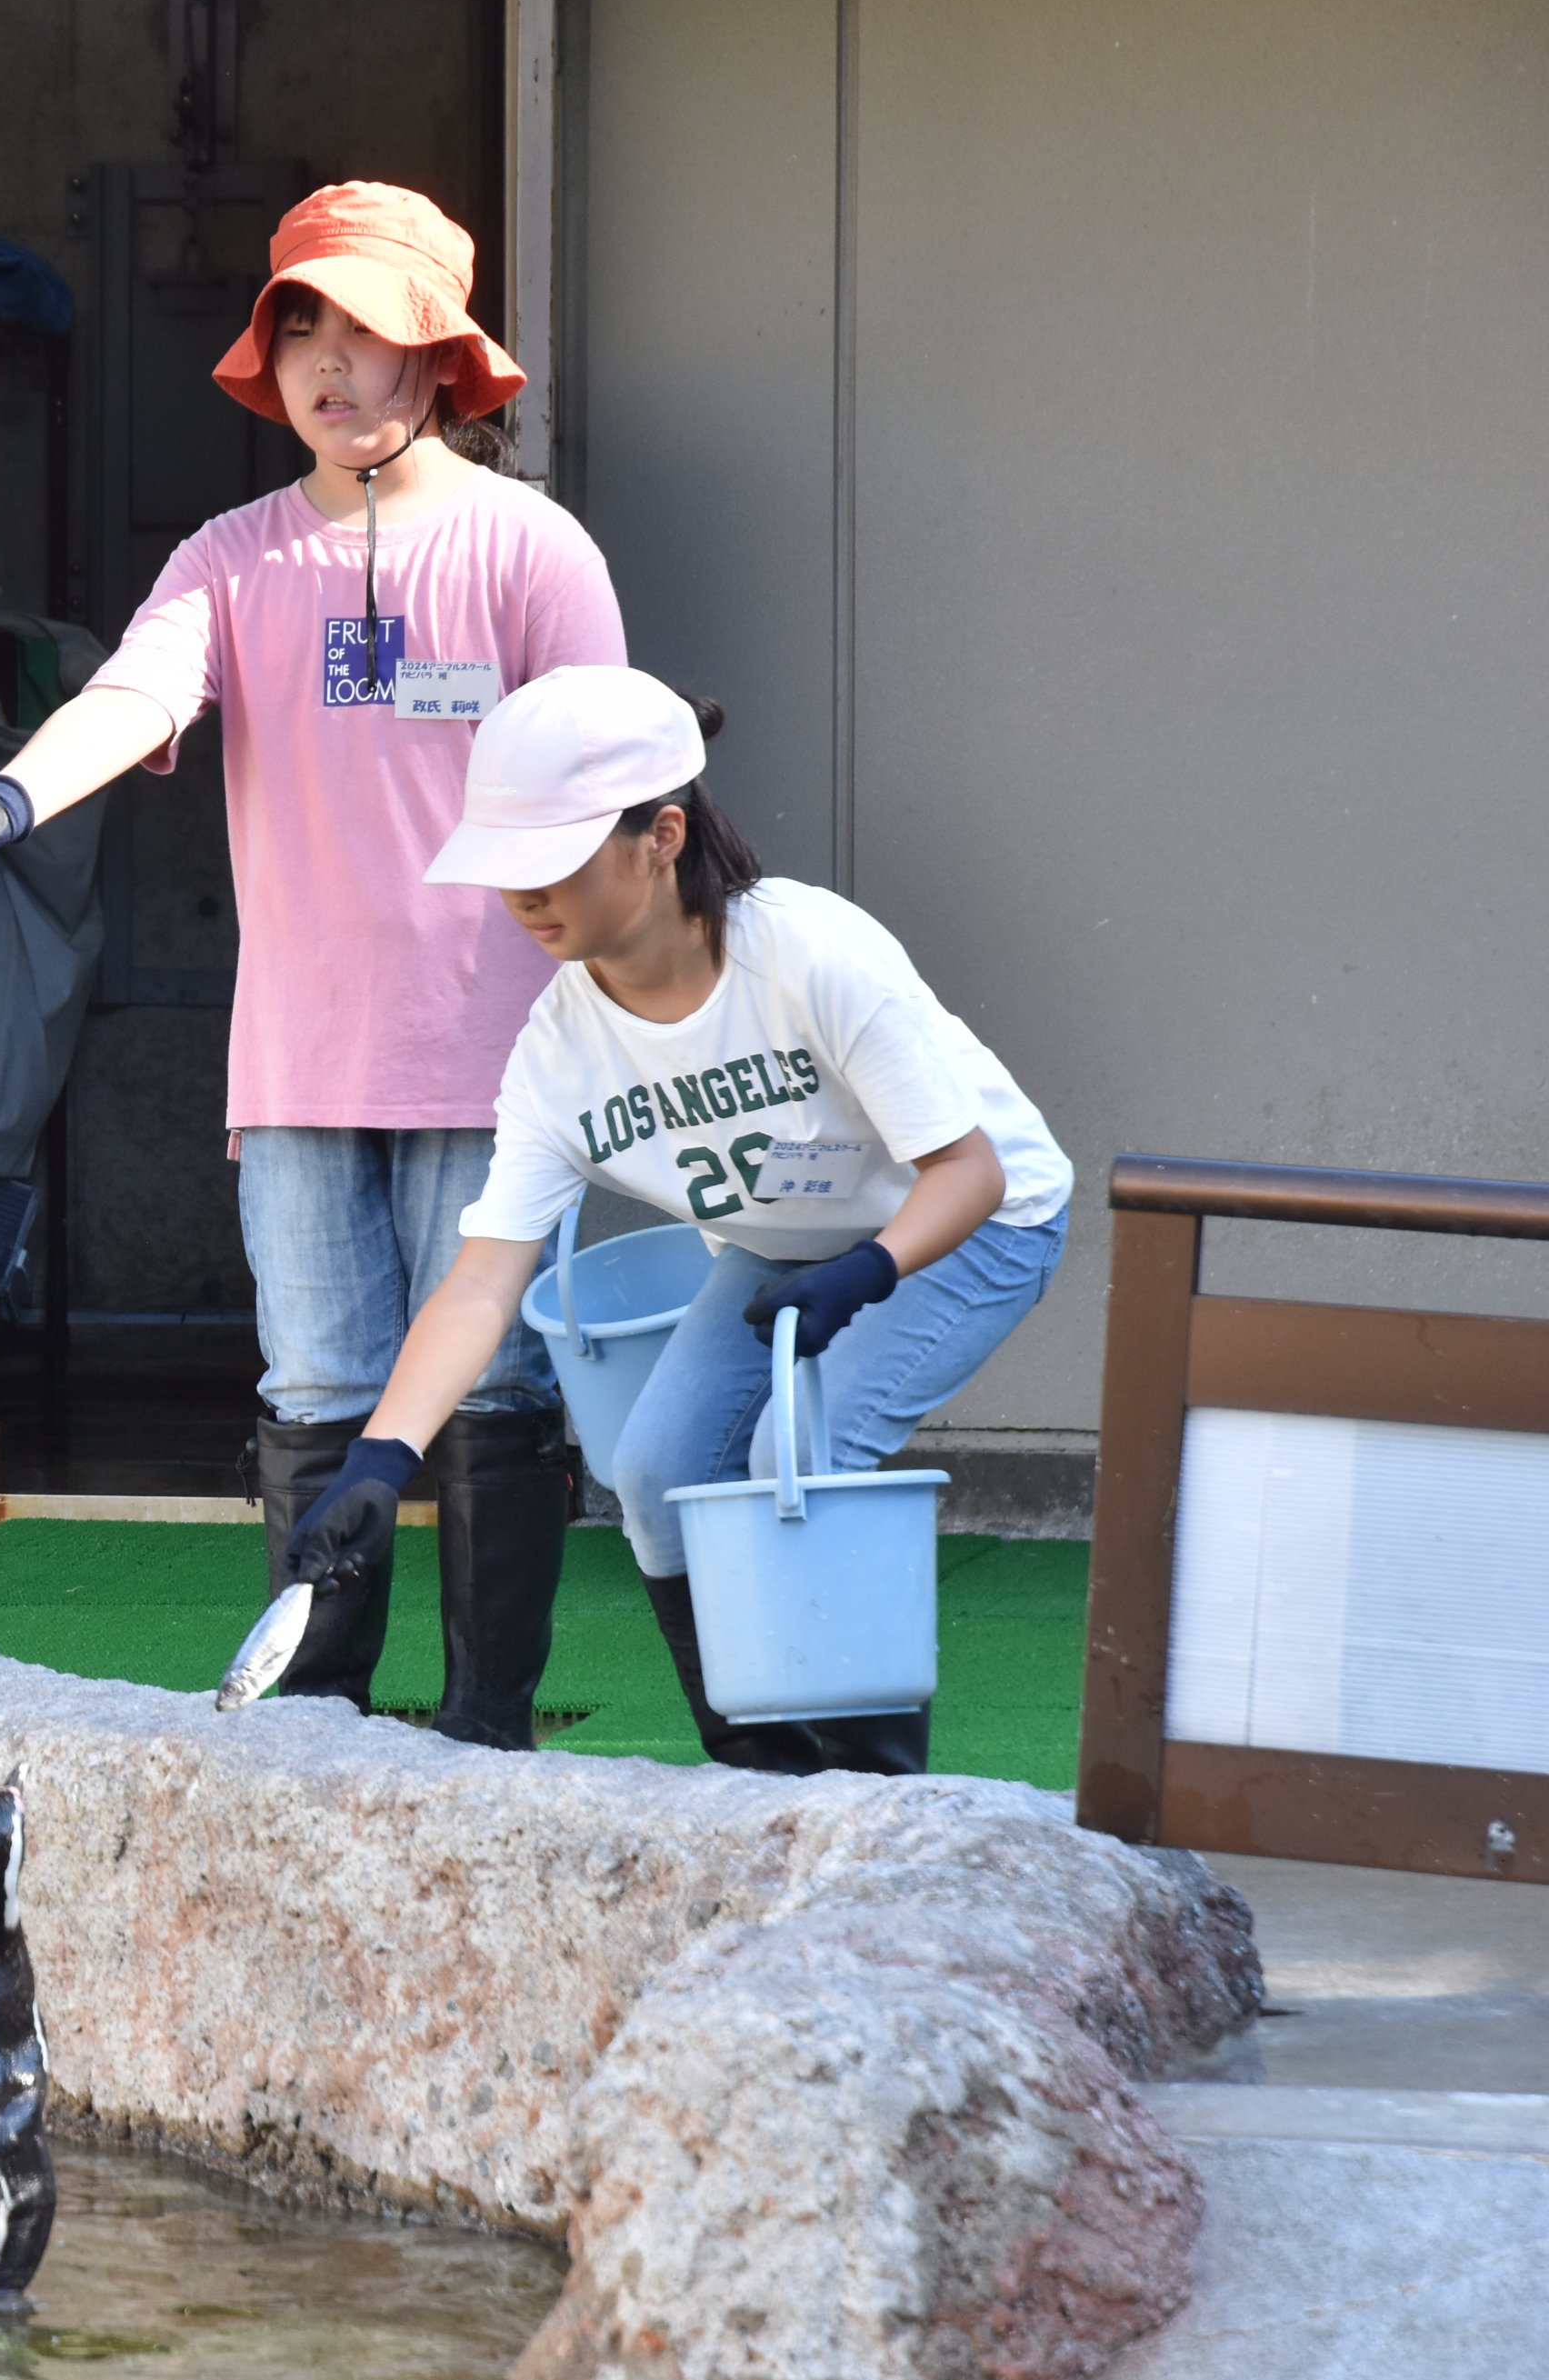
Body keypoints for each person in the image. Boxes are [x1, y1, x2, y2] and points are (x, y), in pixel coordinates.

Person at [0, 183, 627, 1747]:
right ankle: (320, 1722)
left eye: (371, 333)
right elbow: (135, 695)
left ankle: (487, 1727)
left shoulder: (534, 550)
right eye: (301, 332)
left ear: (442, 358)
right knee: (318, 1381)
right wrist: (1, 800)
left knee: (498, 1394)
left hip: (502, 1054)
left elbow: (611, 774)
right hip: (302, 1055)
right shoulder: (232, 558)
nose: (333, 370)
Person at [272, 665, 1074, 1773]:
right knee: (651, 1468)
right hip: (787, 1246)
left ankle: (876, 1792)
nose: (521, 896)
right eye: (503, 867)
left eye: (550, 860)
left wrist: (869, 1270)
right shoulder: (557, 1048)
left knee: (805, 1450)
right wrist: (376, 1456)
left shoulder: (808, 952)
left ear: (660, 835)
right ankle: (755, 1773)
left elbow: (968, 1171)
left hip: (966, 1226)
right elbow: (482, 1280)